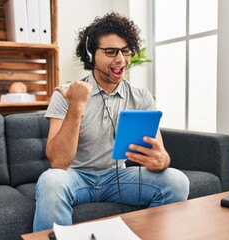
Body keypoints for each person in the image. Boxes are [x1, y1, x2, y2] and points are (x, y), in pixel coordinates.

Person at [33, 12, 189, 231]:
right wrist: (76, 105)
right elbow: (58, 163)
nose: (120, 59)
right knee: (51, 181)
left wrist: (161, 160)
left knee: (177, 181)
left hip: (118, 176)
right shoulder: (66, 94)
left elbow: (160, 154)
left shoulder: (141, 97)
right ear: (90, 56)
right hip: (75, 177)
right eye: (110, 51)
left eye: (125, 51)